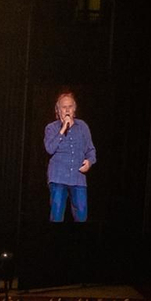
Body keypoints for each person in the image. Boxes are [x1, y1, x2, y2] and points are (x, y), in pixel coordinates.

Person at [43, 90, 96, 223]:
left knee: (82, 216)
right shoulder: (51, 128)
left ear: (75, 109)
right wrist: (62, 129)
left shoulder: (82, 126)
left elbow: (91, 150)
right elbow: (49, 149)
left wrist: (89, 162)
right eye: (63, 107)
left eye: (70, 106)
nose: (67, 110)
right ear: (58, 110)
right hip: (58, 178)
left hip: (78, 178)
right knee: (57, 216)